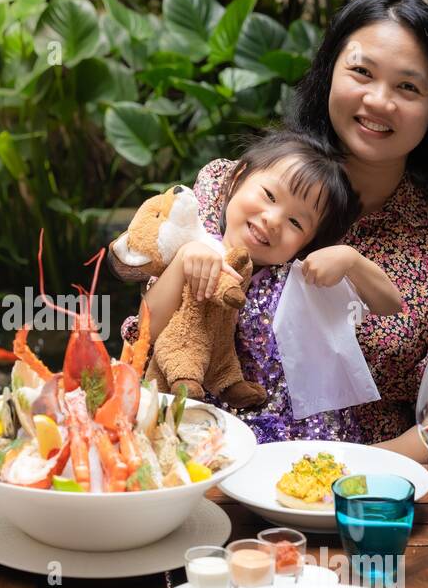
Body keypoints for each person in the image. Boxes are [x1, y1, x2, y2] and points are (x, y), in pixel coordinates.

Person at [119, 0, 428, 461]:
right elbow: (144, 344)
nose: (379, 101)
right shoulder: (233, 190)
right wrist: (186, 264)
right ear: (330, 71)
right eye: (362, 72)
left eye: (408, 87)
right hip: (206, 465)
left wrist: (343, 476)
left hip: (370, 490)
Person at [117, 129, 403, 443]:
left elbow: (389, 304)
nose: (273, 220)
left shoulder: (300, 280)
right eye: (269, 196)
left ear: (307, 243)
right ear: (238, 177)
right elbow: (143, 334)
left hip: (290, 441)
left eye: (296, 222)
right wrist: (184, 261)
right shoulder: (193, 250)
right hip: (198, 432)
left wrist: (352, 260)